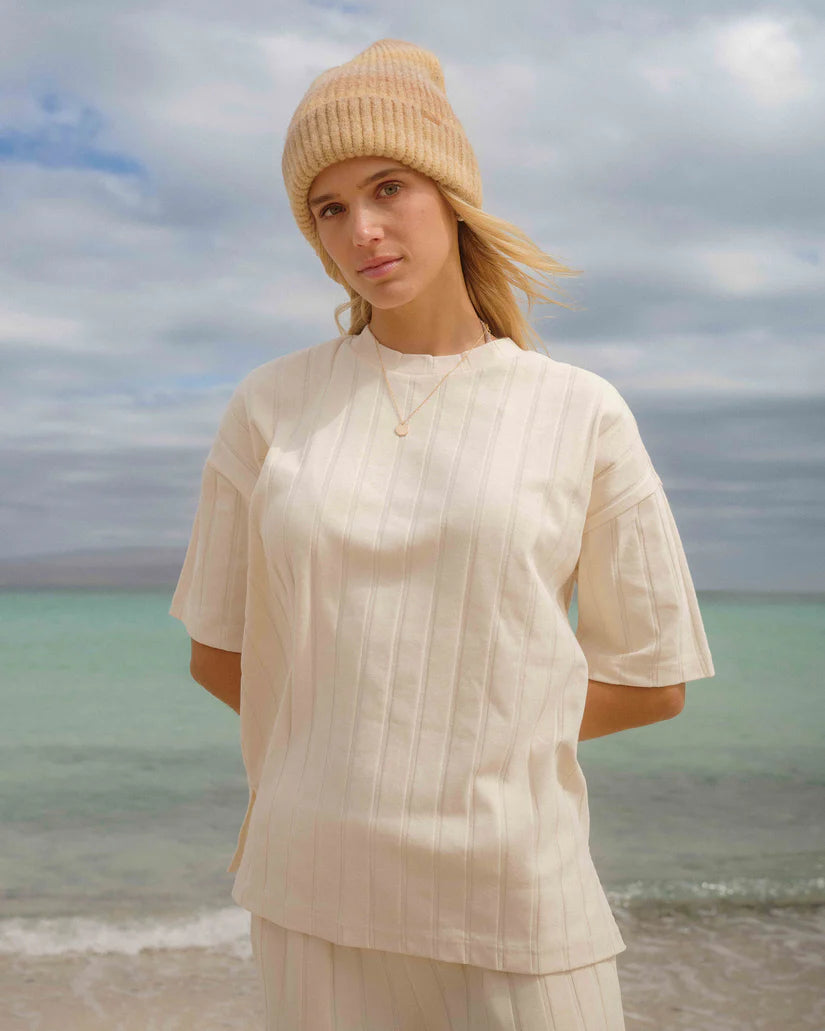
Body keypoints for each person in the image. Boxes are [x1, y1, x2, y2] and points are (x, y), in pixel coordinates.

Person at [169, 37, 715, 1030]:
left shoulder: (577, 409)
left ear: (452, 193)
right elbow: (219, 649)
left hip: (514, 891)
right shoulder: (271, 404)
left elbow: (651, 677)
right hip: (310, 887)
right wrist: (352, 742)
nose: (362, 230)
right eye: (328, 208)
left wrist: (464, 736)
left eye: (389, 188)